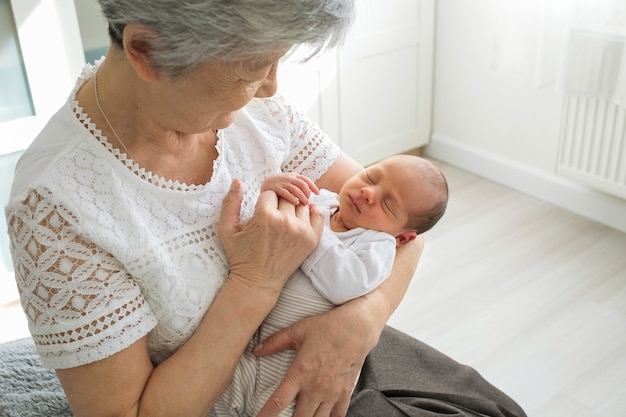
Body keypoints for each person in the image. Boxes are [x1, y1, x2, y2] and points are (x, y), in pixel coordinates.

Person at [4, 1, 527, 417]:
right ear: (148, 51)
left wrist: (361, 321)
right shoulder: (54, 207)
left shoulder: (254, 107)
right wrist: (255, 282)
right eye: (256, 66)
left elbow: (403, 228)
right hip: (249, 398)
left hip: (336, 341)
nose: (273, 85)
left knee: (497, 409)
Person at [214, 154, 449, 416]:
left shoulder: (378, 245)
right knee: (219, 399)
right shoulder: (322, 200)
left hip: (295, 361)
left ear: (402, 237)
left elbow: (344, 284)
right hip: (253, 345)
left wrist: (308, 237)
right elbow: (272, 226)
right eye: (371, 177)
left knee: (275, 408)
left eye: (388, 204)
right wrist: (273, 189)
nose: (368, 192)